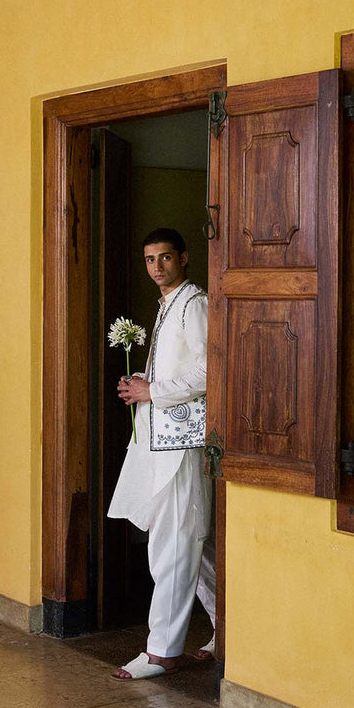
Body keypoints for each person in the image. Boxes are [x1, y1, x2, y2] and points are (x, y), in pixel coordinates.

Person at [108, 227, 216, 680]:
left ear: (184, 258)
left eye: (166, 258)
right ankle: (228, 630)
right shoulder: (169, 304)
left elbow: (211, 370)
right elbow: (178, 367)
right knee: (193, 542)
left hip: (183, 444)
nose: (157, 267)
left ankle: (162, 652)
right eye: (150, 259)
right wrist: (142, 384)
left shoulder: (195, 304)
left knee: (174, 543)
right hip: (163, 440)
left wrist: (152, 391)